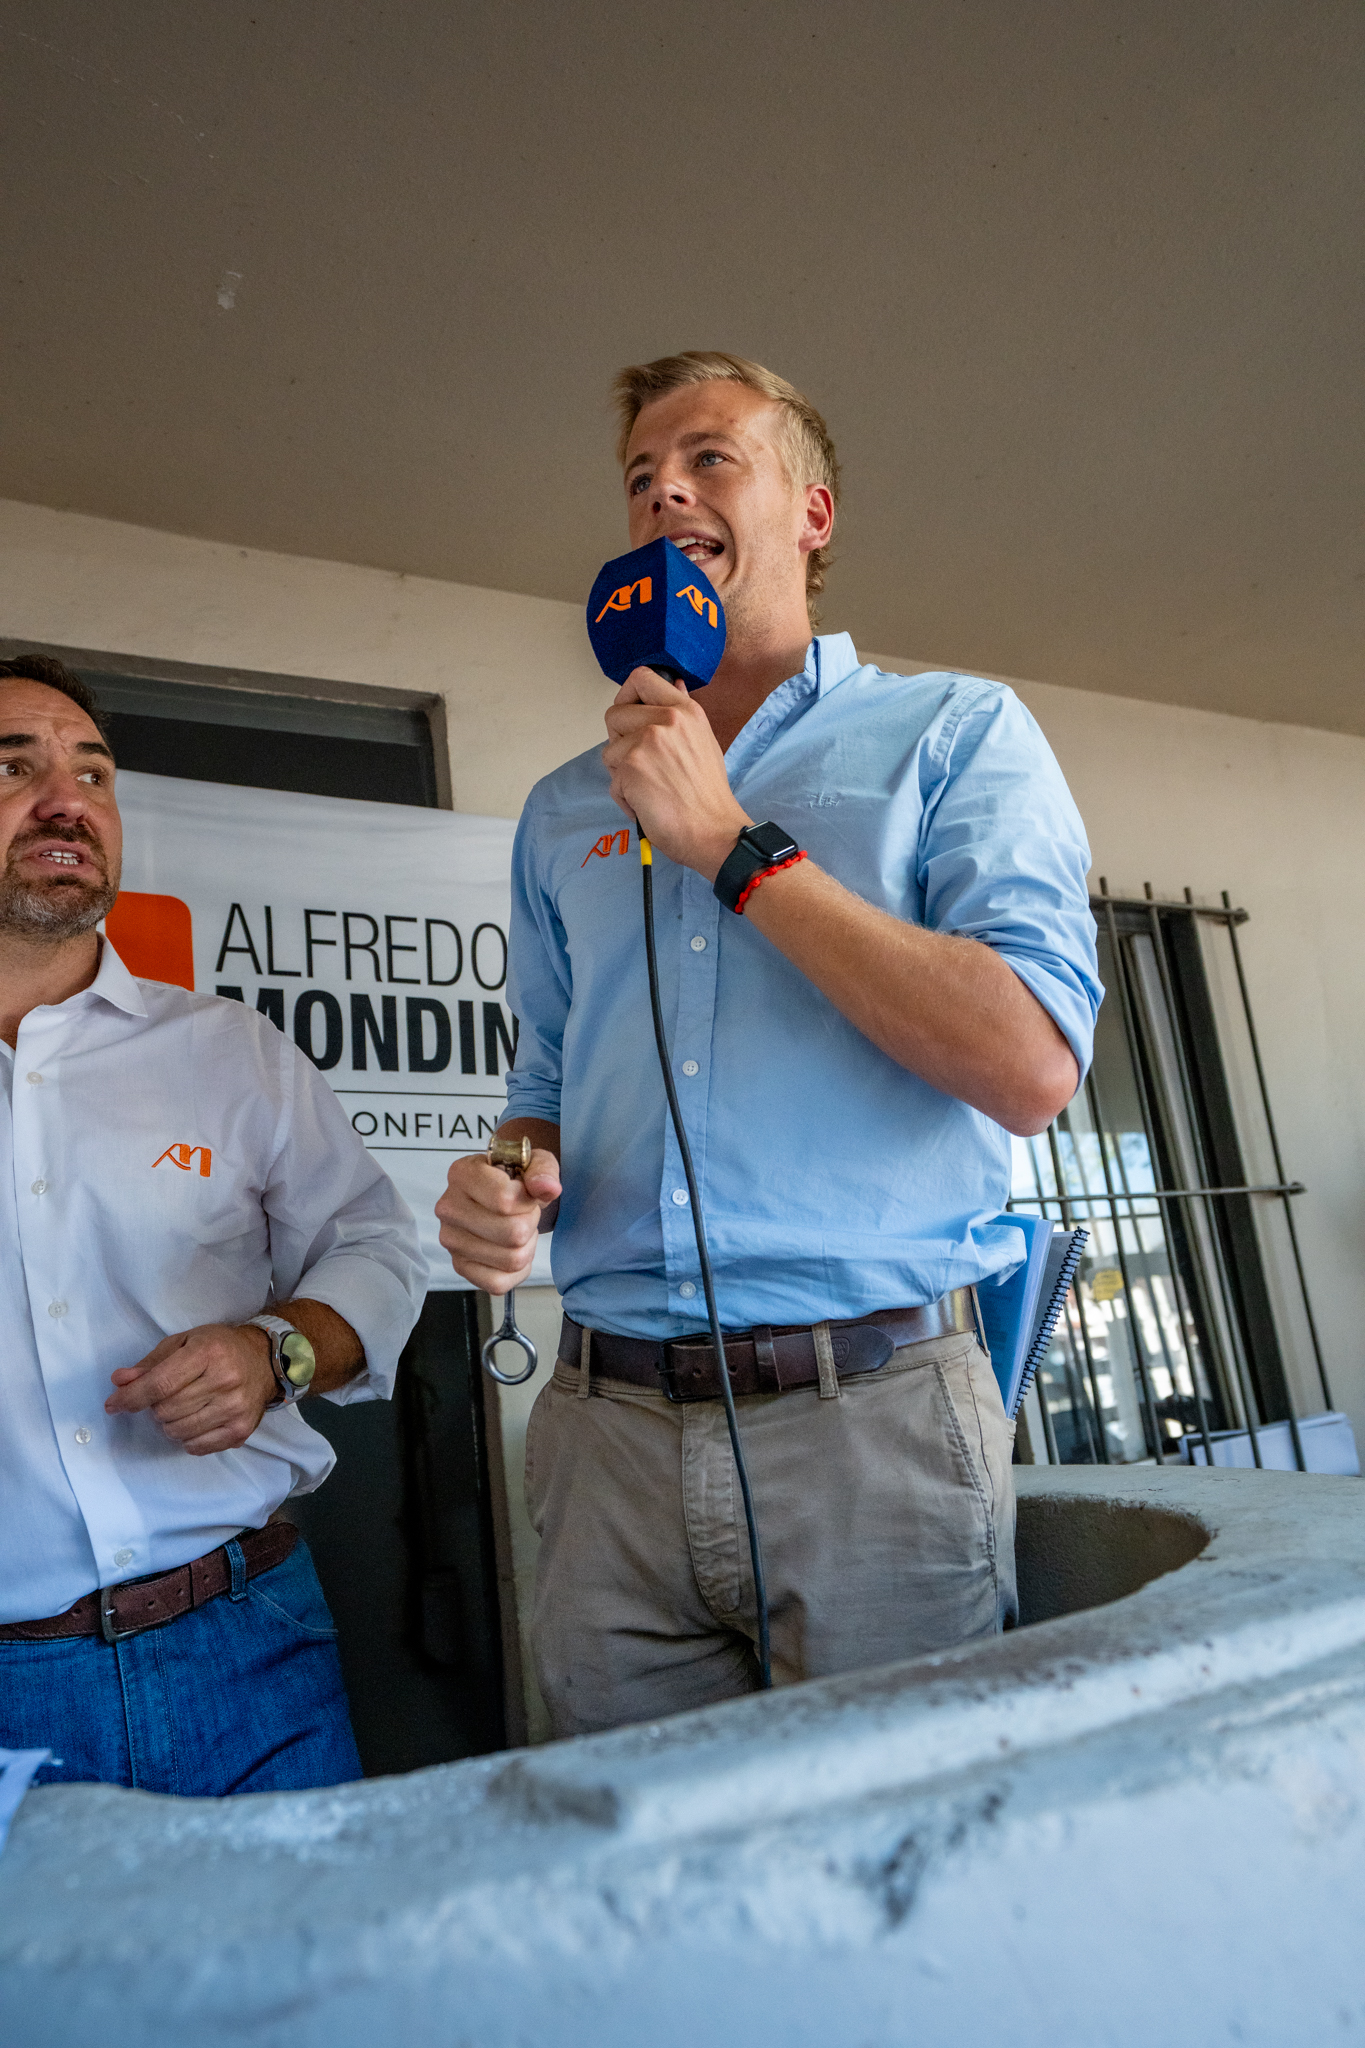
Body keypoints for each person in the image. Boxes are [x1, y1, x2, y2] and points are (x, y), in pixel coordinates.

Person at [437, 352, 1101, 1737]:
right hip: (604, 1429)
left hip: (874, 1421)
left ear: (812, 512)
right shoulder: (563, 808)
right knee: (641, 1853)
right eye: (640, 476)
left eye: (709, 459)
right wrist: (510, 1175)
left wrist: (729, 844)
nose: (663, 490)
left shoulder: (955, 730)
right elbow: (542, 1086)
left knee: (898, 1842)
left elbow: (1032, 1063)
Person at [0, 655, 425, 1795]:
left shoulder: (228, 1050)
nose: (67, 801)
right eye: (13, 767)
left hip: (249, 1645)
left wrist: (275, 1350)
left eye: (94, 773)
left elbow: (379, 1249)